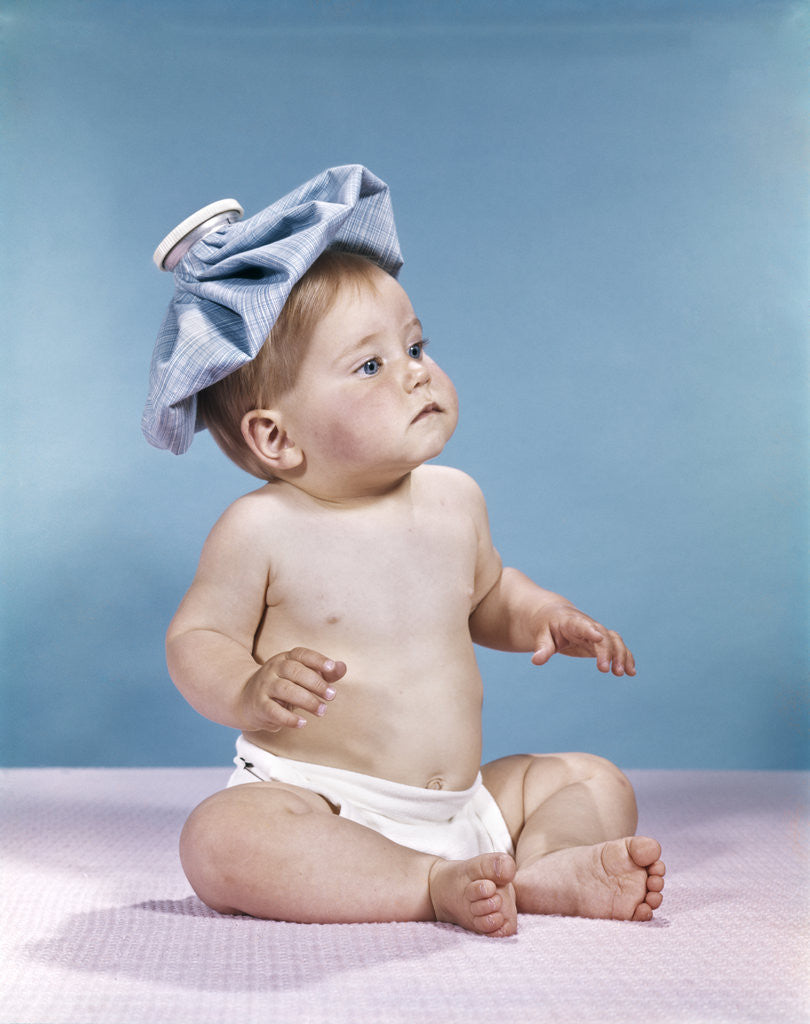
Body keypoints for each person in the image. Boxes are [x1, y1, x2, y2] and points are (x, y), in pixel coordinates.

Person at [145, 167, 664, 937]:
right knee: (219, 841)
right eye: (370, 365)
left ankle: (544, 868)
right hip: (324, 801)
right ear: (275, 437)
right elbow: (197, 640)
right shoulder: (261, 529)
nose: (416, 371)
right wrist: (249, 688)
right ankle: (426, 884)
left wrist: (545, 616)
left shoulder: (455, 498)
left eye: (416, 344)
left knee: (591, 780)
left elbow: (488, 598)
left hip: (460, 804)